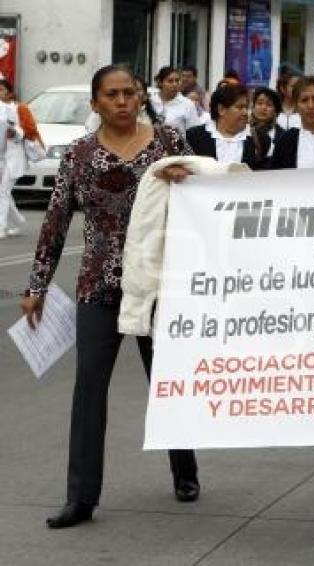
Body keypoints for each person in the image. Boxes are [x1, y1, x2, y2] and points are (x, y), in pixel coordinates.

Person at [21, 64, 200, 529]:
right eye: (112, 95)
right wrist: (37, 285)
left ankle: (185, 470)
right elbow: (56, 221)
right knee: (88, 390)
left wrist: (191, 182)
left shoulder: (169, 143)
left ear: (141, 97)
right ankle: (80, 498)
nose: (122, 101)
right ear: (95, 102)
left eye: (130, 93)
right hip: (98, 286)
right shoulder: (78, 155)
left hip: (159, 284)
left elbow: (207, 202)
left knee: (166, 381)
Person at [0, 79, 40, 238]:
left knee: (3, 191)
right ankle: (17, 221)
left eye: (1, 90)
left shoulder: (19, 109)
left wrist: (15, 132)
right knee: (3, 192)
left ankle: (1, 227)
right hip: (1, 158)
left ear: (9, 92)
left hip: (14, 158)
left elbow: (30, 130)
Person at [185, 84, 258, 167]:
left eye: (246, 107)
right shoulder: (194, 136)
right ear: (221, 109)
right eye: (240, 107)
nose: (245, 112)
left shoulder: (256, 138)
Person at [150, 66, 202, 135]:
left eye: (177, 81)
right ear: (160, 82)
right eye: (170, 81)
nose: (174, 84)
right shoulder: (150, 102)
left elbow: (195, 133)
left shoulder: (187, 104)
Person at [249, 87, 288, 170]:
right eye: (259, 103)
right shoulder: (243, 131)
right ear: (253, 107)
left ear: (276, 111)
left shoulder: (283, 135)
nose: (264, 108)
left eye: (269, 105)